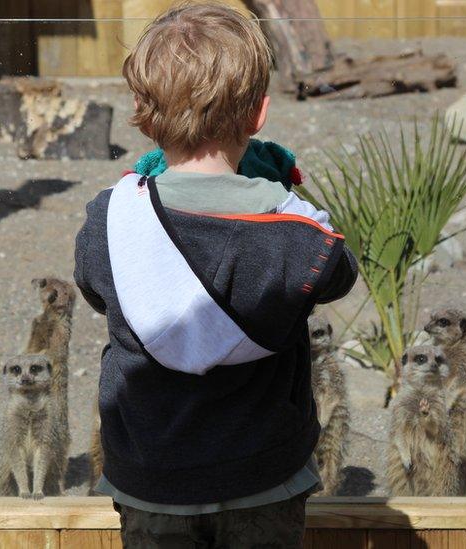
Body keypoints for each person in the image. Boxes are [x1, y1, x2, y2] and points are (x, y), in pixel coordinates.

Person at [73, 2, 358, 547]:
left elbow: (96, 289)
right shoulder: (295, 232)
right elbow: (338, 273)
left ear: (141, 111)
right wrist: (279, 192)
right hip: (264, 476)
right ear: (258, 116)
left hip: (150, 474)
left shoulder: (110, 220)